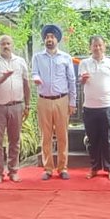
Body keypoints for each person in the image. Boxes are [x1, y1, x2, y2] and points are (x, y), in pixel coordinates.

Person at [32, 24, 76, 180]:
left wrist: (72, 102)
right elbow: (34, 73)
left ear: (57, 39)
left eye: (52, 37)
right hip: (44, 100)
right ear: (44, 39)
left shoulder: (65, 58)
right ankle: (48, 168)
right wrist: (36, 78)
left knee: (62, 135)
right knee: (46, 135)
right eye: (47, 37)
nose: (49, 39)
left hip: (61, 100)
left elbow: (71, 80)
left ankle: (63, 167)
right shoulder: (37, 57)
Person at [79, 36, 110, 179]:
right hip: (90, 107)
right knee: (92, 139)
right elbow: (81, 82)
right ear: (90, 47)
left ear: (104, 46)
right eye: (94, 45)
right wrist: (82, 80)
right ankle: (94, 167)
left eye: (100, 45)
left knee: (109, 139)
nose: (97, 48)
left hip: (108, 106)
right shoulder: (84, 63)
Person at [0, 35, 30, 184]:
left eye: (8, 43)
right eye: (2, 44)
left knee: (15, 140)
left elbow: (26, 84)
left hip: (16, 106)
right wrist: (4, 76)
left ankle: (13, 171)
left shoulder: (20, 62)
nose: (6, 46)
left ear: (12, 45)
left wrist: (27, 105)